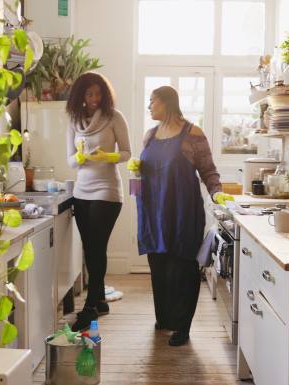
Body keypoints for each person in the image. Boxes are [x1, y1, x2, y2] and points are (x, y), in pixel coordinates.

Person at [127, 86, 233, 346]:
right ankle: (164, 319)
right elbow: (138, 179)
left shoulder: (192, 133)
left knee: (183, 268)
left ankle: (182, 326)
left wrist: (217, 194)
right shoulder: (149, 136)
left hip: (183, 212)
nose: (149, 106)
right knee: (159, 268)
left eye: (152, 101)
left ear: (166, 102)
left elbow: (209, 171)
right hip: (153, 212)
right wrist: (134, 180)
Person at [66, 72, 131, 331]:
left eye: (98, 93)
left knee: (96, 246)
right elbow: (69, 159)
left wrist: (108, 157)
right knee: (90, 248)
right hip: (82, 191)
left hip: (107, 190)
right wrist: (80, 159)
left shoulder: (114, 117)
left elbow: (126, 152)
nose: (94, 99)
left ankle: (90, 306)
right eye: (89, 93)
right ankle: (100, 300)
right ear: (81, 95)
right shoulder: (73, 120)